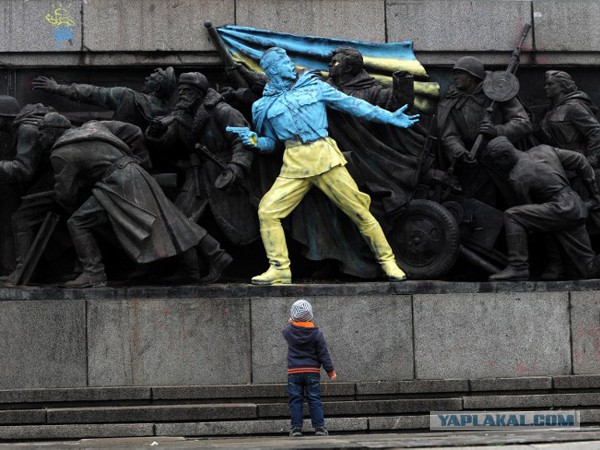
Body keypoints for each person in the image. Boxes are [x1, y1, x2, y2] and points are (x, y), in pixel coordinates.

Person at [235, 47, 418, 285]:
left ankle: (388, 263)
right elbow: (272, 143)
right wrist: (255, 142)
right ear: (271, 70)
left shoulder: (314, 86)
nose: (291, 64)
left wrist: (390, 117)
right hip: (294, 164)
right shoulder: (262, 106)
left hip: (325, 157)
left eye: (289, 60)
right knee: (268, 212)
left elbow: (354, 105)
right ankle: (279, 269)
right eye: (284, 62)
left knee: (360, 211)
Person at [42, 113, 232, 287]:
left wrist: (79, 182)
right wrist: (140, 160)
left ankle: (93, 272)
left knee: (77, 222)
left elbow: (66, 195)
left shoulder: (60, 153)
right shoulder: (94, 126)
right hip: (136, 172)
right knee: (171, 219)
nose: (40, 139)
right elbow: (134, 132)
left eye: (41, 134)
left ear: (52, 133)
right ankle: (211, 257)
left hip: (116, 184)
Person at [145, 72, 257, 281]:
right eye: (180, 91)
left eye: (187, 91)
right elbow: (167, 142)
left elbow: (243, 141)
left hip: (222, 171)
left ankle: (249, 265)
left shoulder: (223, 111)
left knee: (240, 226)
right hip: (197, 177)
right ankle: (192, 268)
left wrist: (236, 167)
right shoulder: (181, 116)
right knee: (177, 219)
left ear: (198, 93)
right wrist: (156, 132)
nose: (182, 95)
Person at [481, 136, 600, 281]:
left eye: (497, 162)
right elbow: (581, 160)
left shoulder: (517, 177)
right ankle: (556, 266)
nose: (498, 166)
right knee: (589, 269)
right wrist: (594, 194)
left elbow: (530, 219)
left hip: (561, 209)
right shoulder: (544, 149)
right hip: (575, 205)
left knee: (513, 216)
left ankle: (518, 267)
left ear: (506, 156)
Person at [437, 56, 532, 204]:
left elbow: (523, 123)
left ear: (473, 76)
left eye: (460, 73)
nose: (455, 76)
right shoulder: (451, 99)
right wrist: (460, 153)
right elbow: (449, 136)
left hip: (499, 158)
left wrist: (497, 131)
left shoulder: (498, 92)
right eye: (454, 73)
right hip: (471, 162)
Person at [32, 67, 177, 130]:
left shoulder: (127, 96)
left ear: (157, 88)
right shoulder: (170, 115)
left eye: (151, 78)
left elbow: (91, 93)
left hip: (114, 150)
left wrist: (57, 88)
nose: (146, 78)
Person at [282, 299, 336, 437]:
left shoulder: (289, 331)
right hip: (312, 372)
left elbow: (286, 328)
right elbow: (323, 354)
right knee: (314, 399)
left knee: (295, 400)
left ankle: (296, 428)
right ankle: (319, 428)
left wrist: (291, 321)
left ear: (293, 315)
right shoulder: (316, 333)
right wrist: (330, 371)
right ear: (310, 314)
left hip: (294, 372)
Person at [539, 70, 600, 165]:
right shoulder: (550, 111)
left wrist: (591, 159)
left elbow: (596, 131)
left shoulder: (573, 107)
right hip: (555, 160)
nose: (545, 87)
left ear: (563, 87)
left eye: (550, 84)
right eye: (546, 84)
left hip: (575, 164)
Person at [327, 46, 414, 111]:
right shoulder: (321, 88)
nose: (329, 64)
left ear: (348, 68)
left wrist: (403, 81)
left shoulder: (373, 92)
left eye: (335, 62)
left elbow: (401, 105)